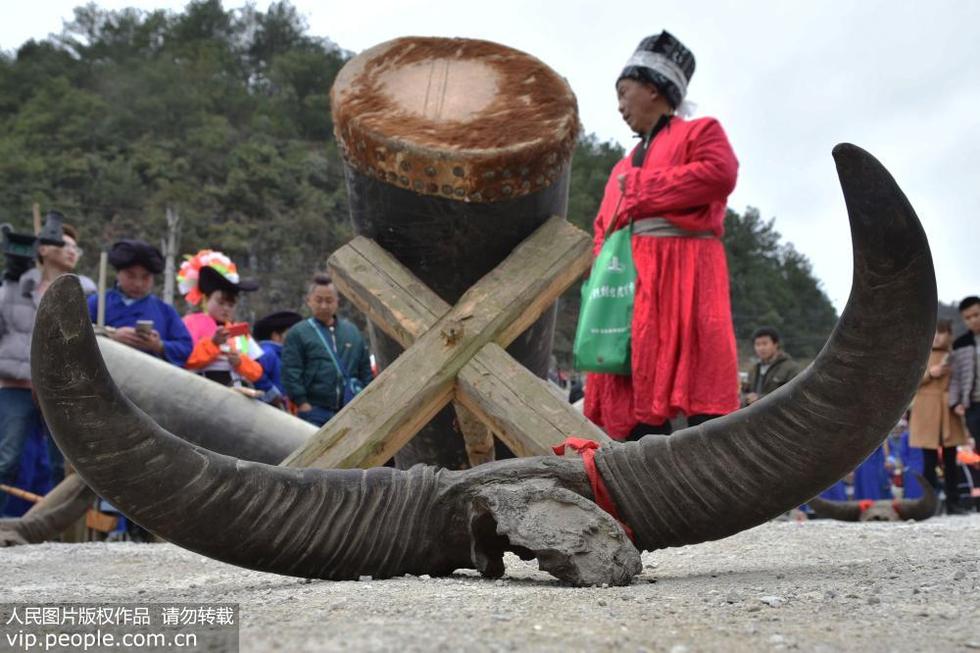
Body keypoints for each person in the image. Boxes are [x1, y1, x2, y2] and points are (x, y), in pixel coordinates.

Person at [583, 31, 740, 440]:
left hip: (684, 278)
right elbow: (603, 227)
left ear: (652, 88)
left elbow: (719, 174)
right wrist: (604, 272)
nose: (618, 105)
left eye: (623, 92)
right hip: (624, 289)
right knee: (628, 379)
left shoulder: (700, 132)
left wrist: (639, 193)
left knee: (691, 373)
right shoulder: (621, 164)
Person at [0, 212, 95, 510]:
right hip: (16, 381)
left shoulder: (85, 292)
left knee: (62, 464)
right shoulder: (15, 285)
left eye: (75, 248)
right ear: (42, 249)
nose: (70, 250)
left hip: (58, 388)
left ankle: (52, 531)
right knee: (7, 458)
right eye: (62, 243)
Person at [282, 274, 372, 427]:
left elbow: (365, 369)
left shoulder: (352, 332)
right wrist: (303, 404)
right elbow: (291, 371)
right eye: (319, 300)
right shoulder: (298, 333)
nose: (324, 305)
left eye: (329, 300)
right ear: (309, 301)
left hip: (350, 409)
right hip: (315, 410)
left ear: (337, 302)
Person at [87, 239, 192, 366]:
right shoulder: (96, 302)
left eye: (145, 277)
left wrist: (159, 345)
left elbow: (185, 347)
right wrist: (110, 336)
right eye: (130, 276)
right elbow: (76, 336)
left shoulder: (165, 311)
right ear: (118, 274)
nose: (138, 284)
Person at [178, 249, 264, 387]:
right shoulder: (190, 323)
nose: (226, 308)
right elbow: (184, 360)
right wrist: (213, 344)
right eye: (221, 302)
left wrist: (240, 362)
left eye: (231, 304)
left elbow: (257, 371)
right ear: (206, 299)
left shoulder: (240, 332)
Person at [912, 319, 969, 514]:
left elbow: (965, 380)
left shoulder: (955, 355)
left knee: (951, 459)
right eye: (934, 332)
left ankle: (954, 503)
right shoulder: (920, 353)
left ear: (949, 334)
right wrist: (930, 373)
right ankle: (929, 505)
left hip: (949, 409)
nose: (937, 336)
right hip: (926, 410)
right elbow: (908, 382)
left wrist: (962, 401)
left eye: (942, 332)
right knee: (929, 461)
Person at [252, 310, 303, 406]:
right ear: (276, 336)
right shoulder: (267, 353)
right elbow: (256, 376)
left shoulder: (282, 354)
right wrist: (274, 396)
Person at [743, 326, 801, 406]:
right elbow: (744, 393)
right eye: (757, 344)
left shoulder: (790, 368)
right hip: (754, 417)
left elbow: (794, 396)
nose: (761, 348)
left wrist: (760, 398)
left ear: (775, 344)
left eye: (765, 344)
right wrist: (746, 398)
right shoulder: (753, 369)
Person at [950, 295, 980, 445]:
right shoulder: (960, 344)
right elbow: (956, 377)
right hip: (973, 406)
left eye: (976, 315)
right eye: (968, 318)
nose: (973, 320)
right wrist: (956, 402)